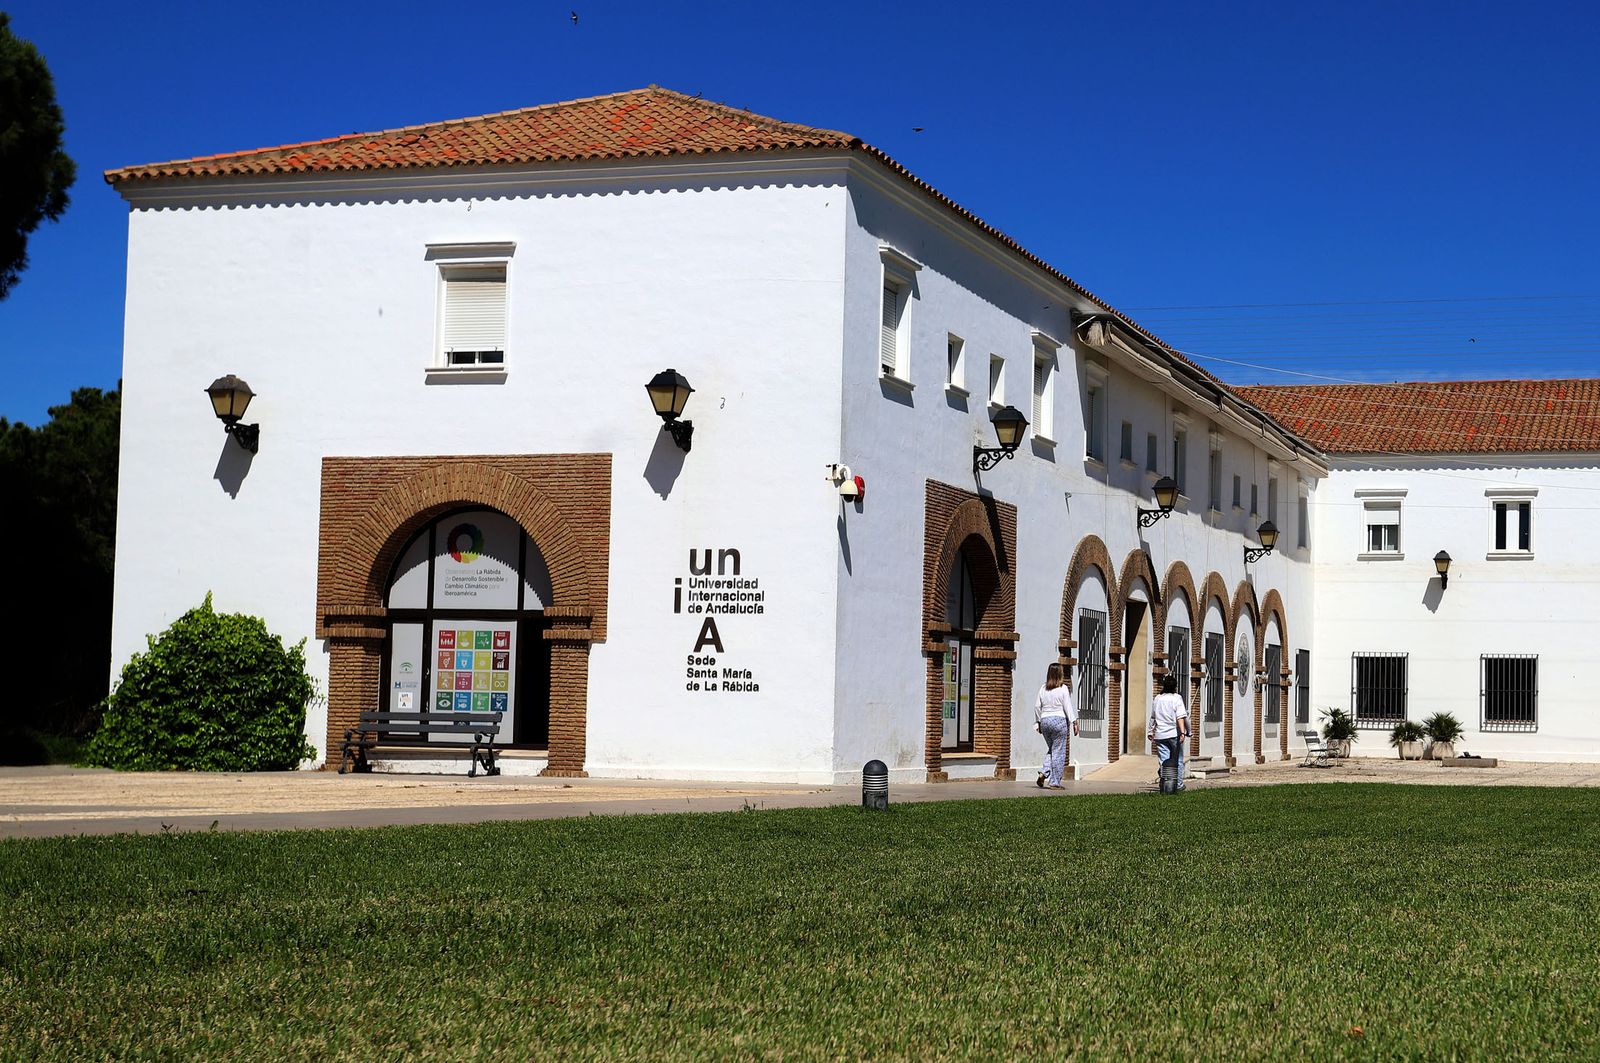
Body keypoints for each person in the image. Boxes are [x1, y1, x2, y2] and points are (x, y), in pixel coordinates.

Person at [1034, 663, 1079, 790]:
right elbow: (1067, 706)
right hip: (1059, 721)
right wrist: (1074, 721)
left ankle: (1044, 772)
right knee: (1059, 752)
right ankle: (1054, 782)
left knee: (1053, 749)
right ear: (1060, 674)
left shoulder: (1043, 688)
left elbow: (1037, 706)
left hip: (1045, 721)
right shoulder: (1063, 688)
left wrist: (1038, 722)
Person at [1147, 673, 1190, 793]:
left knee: (1163, 760)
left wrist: (1150, 731)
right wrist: (1184, 732)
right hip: (1174, 734)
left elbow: (1153, 717)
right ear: (1175, 686)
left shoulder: (1158, 698)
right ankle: (1179, 785)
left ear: (1164, 686)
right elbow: (1181, 717)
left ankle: (1164, 784)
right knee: (1178, 760)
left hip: (1160, 735)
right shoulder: (1177, 698)